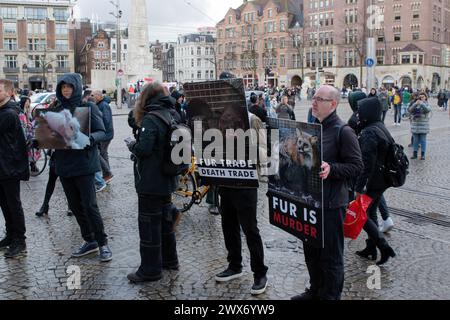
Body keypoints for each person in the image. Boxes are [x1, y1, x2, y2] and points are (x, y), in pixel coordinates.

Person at [292, 85, 363, 301]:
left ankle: (330, 296)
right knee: (311, 250)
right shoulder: (313, 127)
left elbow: (357, 166)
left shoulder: (344, 131)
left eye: (319, 99)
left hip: (332, 204)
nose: (313, 102)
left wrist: (332, 169)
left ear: (332, 104)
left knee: (331, 256)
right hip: (312, 201)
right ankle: (315, 289)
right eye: (313, 98)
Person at [215, 74, 268, 296]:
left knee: (250, 229)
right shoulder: (217, 119)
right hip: (225, 179)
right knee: (228, 225)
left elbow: (265, 154)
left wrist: (244, 145)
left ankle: (260, 273)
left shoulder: (252, 119)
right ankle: (234, 265)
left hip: (245, 181)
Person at [49, 73, 112, 262]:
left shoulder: (88, 107)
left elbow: (103, 131)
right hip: (64, 165)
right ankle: (89, 240)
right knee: (75, 207)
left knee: (90, 206)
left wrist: (90, 139)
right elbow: (53, 135)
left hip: (84, 164)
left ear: (76, 87)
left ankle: (103, 243)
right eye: (63, 87)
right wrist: (42, 140)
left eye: (69, 86)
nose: (66, 90)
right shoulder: (57, 108)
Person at [126, 83, 179, 283]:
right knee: (166, 222)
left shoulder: (151, 118)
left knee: (149, 224)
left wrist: (132, 145)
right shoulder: (171, 113)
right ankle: (170, 260)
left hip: (150, 181)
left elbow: (144, 149)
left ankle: (150, 269)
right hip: (168, 178)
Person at [354, 97, 397, 265]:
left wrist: (359, 188)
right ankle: (370, 248)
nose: (359, 114)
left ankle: (383, 246)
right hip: (381, 180)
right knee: (371, 213)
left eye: (361, 110)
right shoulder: (380, 127)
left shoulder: (370, 132)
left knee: (361, 215)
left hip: (372, 182)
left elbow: (367, 164)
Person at [0, 79, 29, 258]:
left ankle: (20, 239)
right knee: (4, 204)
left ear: (9, 93)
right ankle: (10, 235)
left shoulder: (9, 113)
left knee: (13, 204)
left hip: (9, 166)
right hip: (2, 166)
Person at [92, 90, 115, 185]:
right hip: (104, 134)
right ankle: (107, 173)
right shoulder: (100, 104)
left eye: (93, 95)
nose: (92, 97)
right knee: (103, 153)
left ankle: (107, 173)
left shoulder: (103, 105)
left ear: (99, 96)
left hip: (105, 135)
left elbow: (106, 121)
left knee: (100, 154)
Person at [408, 92, 431, 160]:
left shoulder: (427, 104)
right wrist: (415, 104)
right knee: (415, 141)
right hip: (415, 125)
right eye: (420, 97)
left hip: (423, 126)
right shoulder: (415, 104)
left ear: (425, 97)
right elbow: (409, 110)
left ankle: (423, 155)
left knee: (423, 140)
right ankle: (414, 154)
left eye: (422, 97)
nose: (421, 98)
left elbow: (427, 110)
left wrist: (422, 104)